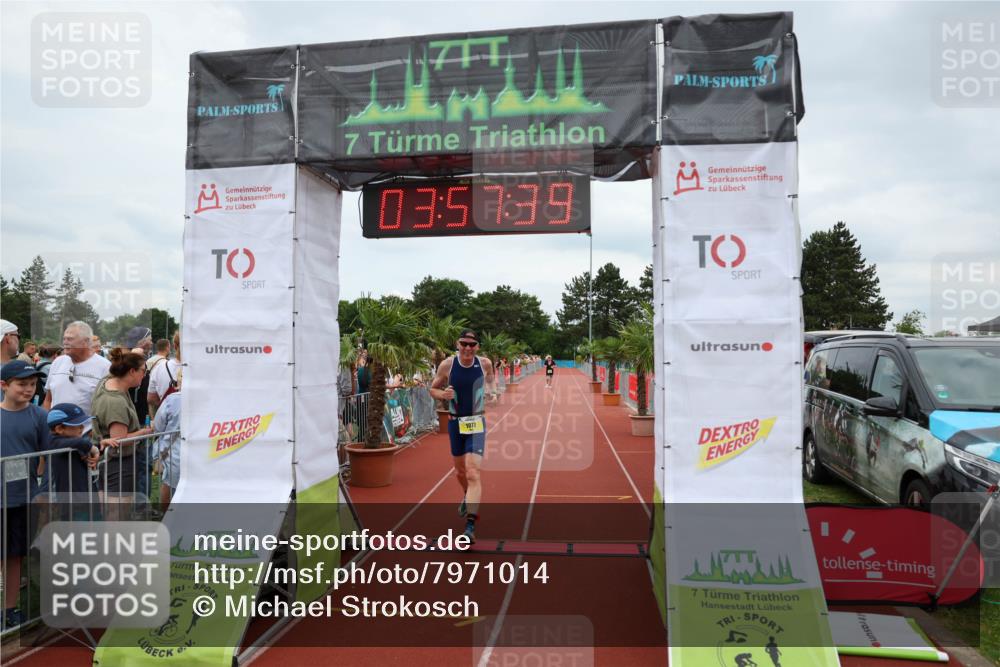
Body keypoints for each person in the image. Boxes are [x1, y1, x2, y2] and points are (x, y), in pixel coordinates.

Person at [429, 328, 495, 542]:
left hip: (476, 422)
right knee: (460, 472)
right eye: (463, 344)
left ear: (477, 347)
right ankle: (467, 496)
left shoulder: (484, 363)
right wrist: (442, 394)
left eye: (472, 344)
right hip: (456, 423)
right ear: (457, 344)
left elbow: (492, 380)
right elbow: (433, 389)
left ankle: (469, 526)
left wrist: (493, 392)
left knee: (473, 471)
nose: (468, 348)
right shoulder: (448, 364)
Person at [1, 360, 48, 630]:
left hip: (21, 498)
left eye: (32, 384)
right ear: (4, 386)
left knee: (14, 555)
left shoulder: (39, 416)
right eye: (22, 384)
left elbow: (52, 449)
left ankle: (8, 609)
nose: (29, 389)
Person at [91, 349, 153, 511]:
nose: (144, 375)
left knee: (108, 510)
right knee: (118, 514)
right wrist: (145, 432)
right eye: (143, 371)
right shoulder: (115, 402)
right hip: (118, 465)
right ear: (132, 371)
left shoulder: (107, 381)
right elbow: (119, 440)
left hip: (108, 462)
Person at [44, 321, 112, 414]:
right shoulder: (57, 362)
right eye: (64, 339)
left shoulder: (105, 367)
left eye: (70, 339)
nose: (65, 342)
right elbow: (48, 399)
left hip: (88, 428)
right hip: (55, 428)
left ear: (86, 342)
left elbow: (109, 406)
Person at [46, 403, 103, 499]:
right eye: (77, 424)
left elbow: (81, 445)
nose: (82, 427)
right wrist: (94, 449)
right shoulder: (54, 441)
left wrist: (97, 448)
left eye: (82, 424)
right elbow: (81, 443)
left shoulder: (72, 441)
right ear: (59, 429)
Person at [153, 368, 182, 508]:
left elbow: (158, 426)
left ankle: (166, 519)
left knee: (170, 485)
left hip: (175, 452)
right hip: (201, 452)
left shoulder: (173, 400)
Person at [147, 331, 180, 416]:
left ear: (175, 346)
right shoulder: (163, 362)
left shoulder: (155, 364)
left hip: (166, 416)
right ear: (168, 347)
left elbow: (151, 399)